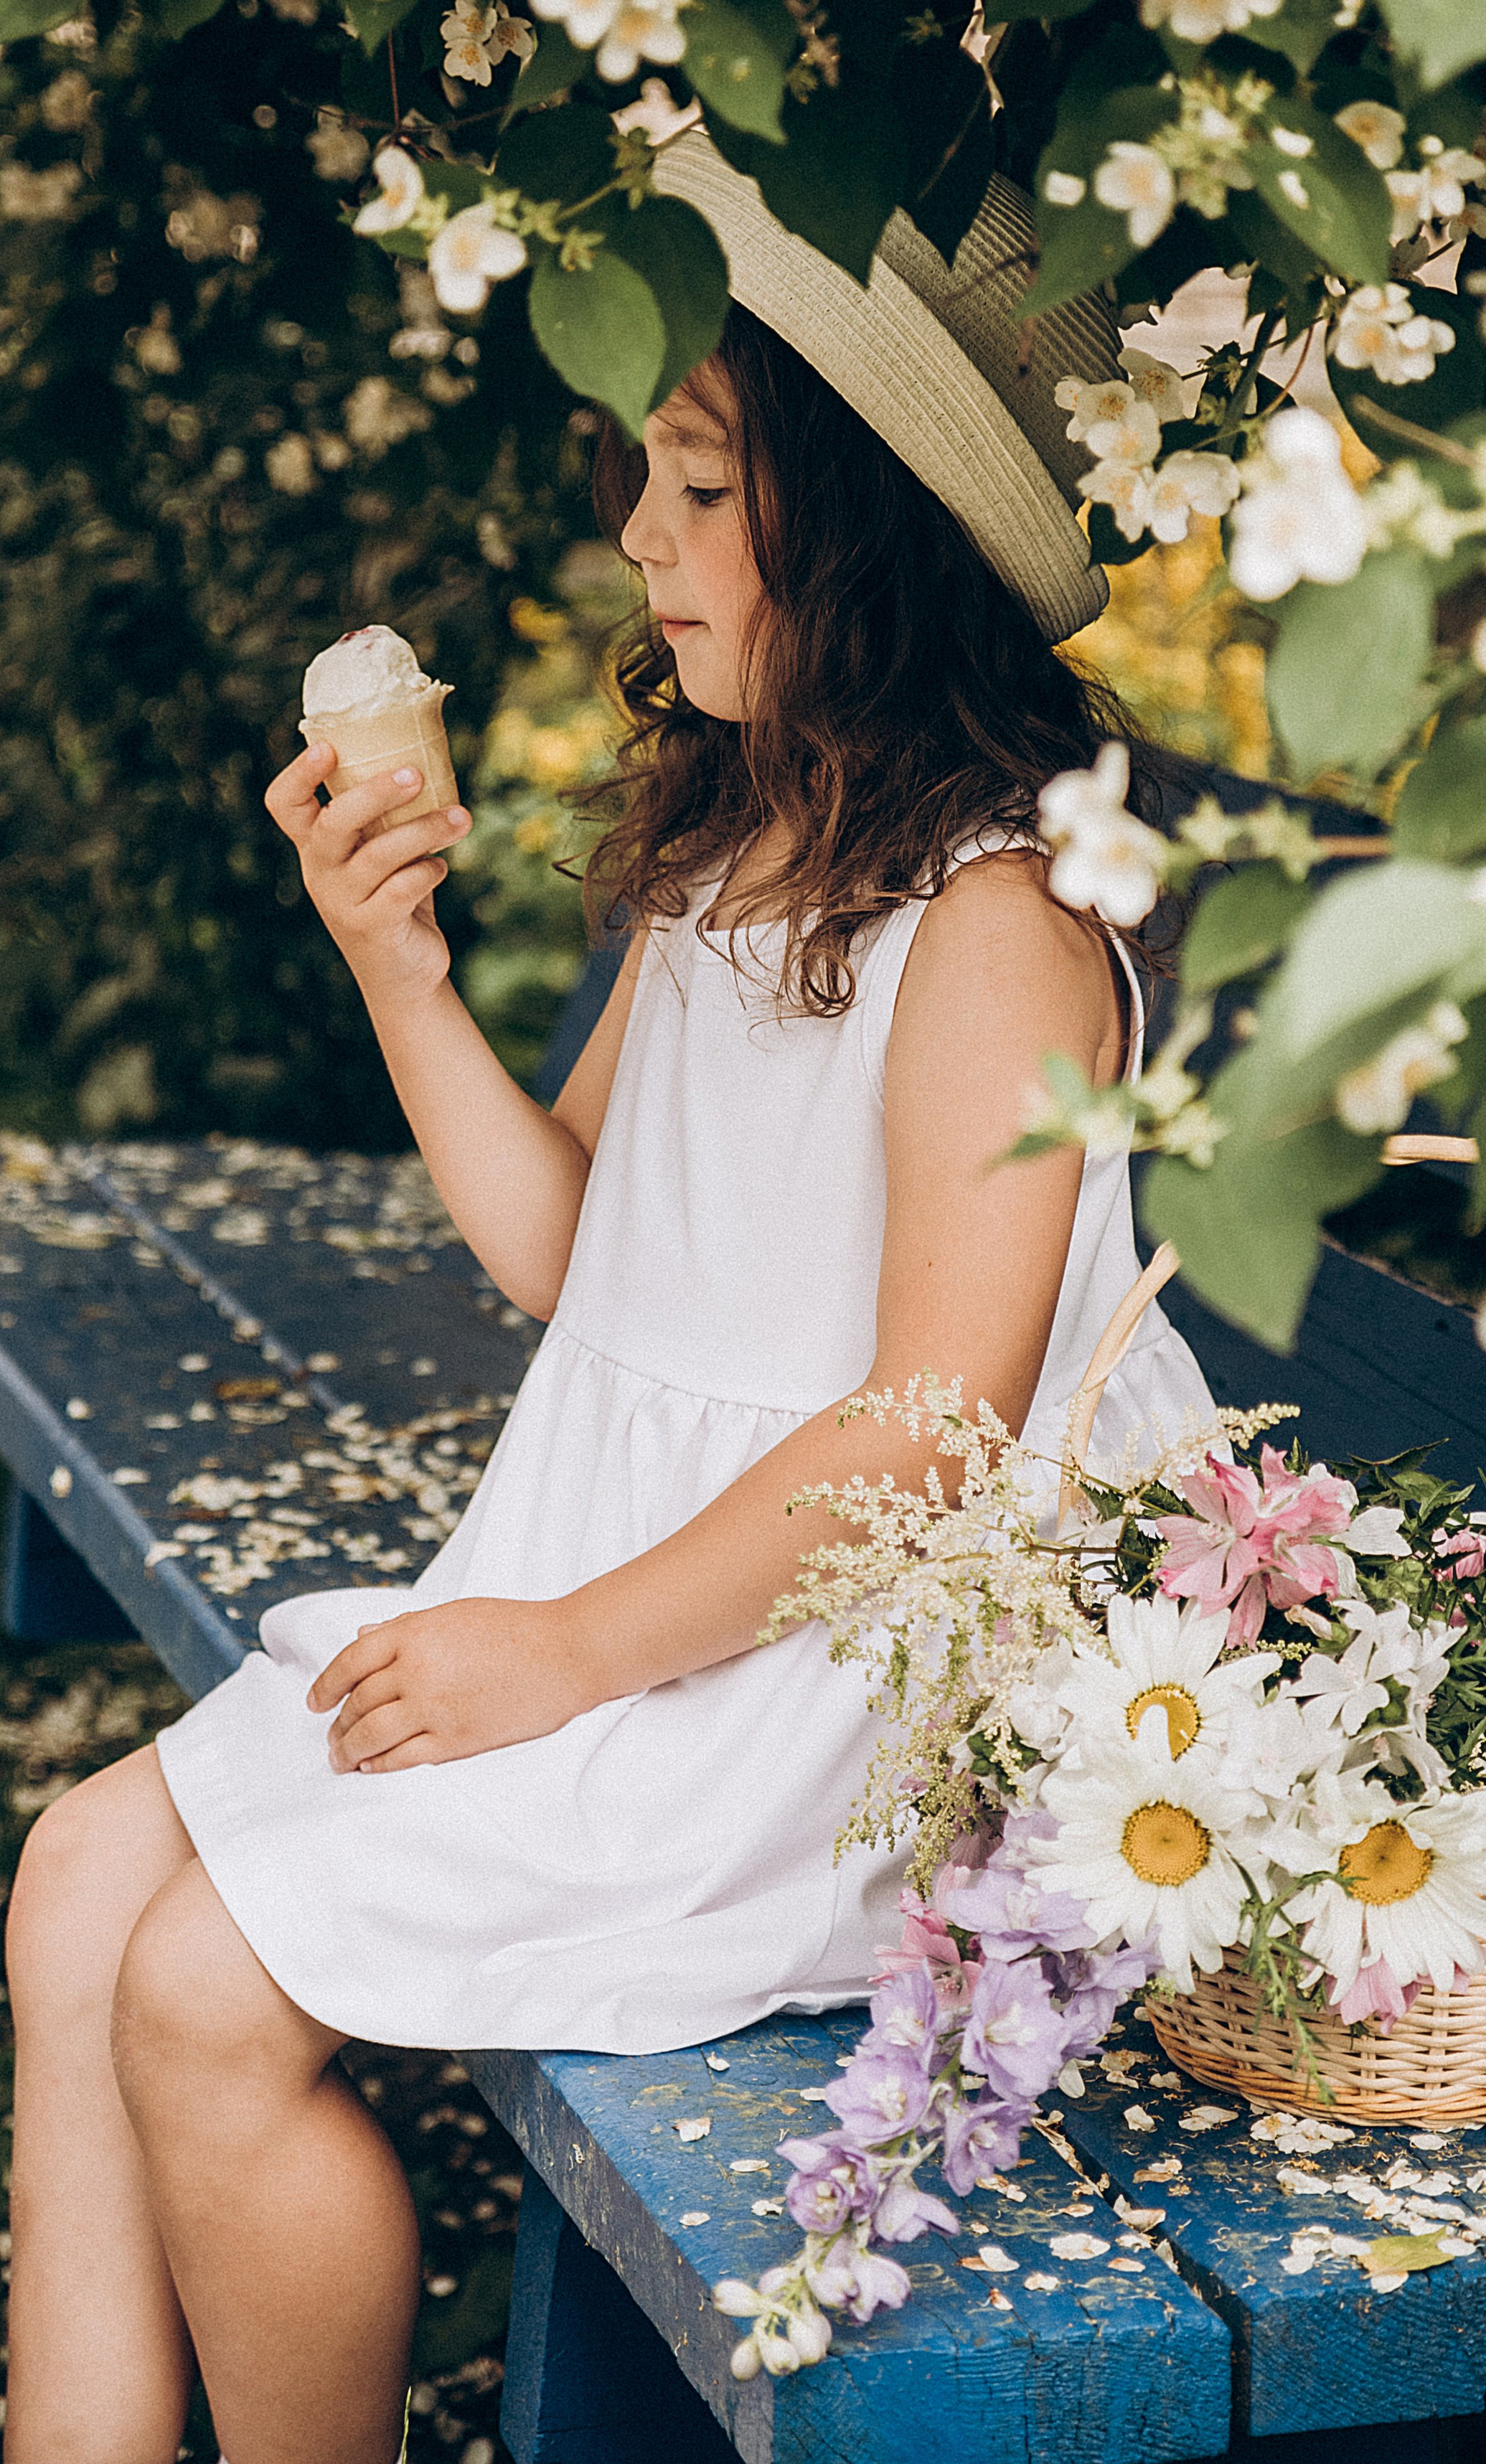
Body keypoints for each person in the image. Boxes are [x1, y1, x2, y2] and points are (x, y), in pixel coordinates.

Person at [3, 130, 1212, 2464]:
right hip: (632, 1580)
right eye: (640, 473)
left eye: (702, 482)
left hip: (825, 1683)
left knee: (203, 1994)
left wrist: (559, 1654)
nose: (639, 535)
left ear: (865, 531)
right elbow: (577, 1245)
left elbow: (932, 1436)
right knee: (74, 1887)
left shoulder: (992, 921)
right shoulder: (747, 829)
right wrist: (399, 967)